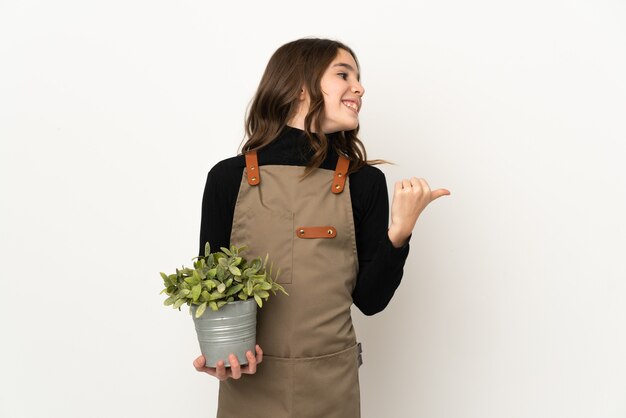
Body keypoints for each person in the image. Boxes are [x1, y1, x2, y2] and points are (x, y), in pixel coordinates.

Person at [193, 38, 450, 418]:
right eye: (343, 74)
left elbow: (371, 301)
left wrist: (399, 233)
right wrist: (219, 354)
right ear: (300, 86)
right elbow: (210, 289)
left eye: (359, 78)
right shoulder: (228, 178)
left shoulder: (363, 183)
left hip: (332, 388)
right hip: (249, 384)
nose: (359, 88)